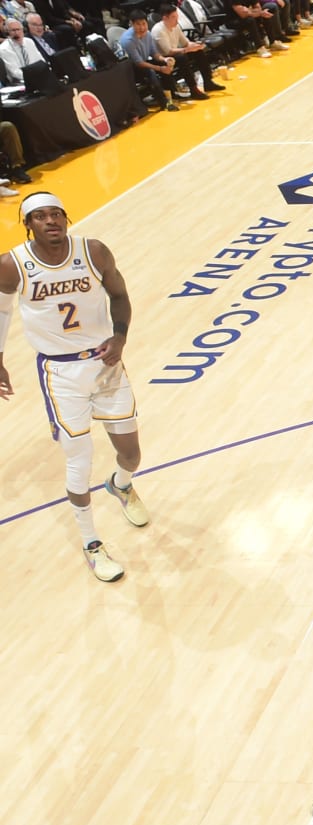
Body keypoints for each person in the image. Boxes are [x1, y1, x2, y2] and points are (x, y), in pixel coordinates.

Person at [0, 192, 149, 582]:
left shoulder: (94, 251)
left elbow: (119, 295)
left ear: (66, 219)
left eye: (56, 215)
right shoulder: (12, 265)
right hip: (61, 374)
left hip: (106, 364)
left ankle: (120, 485)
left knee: (131, 454)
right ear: (28, 224)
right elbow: (0, 313)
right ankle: (91, 543)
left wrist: (120, 337)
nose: (50, 221)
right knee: (78, 462)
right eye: (40, 217)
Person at [152, 1, 225, 97]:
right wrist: (186, 50)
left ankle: (208, 81)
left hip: (176, 53)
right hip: (163, 58)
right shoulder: (158, 30)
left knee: (198, 51)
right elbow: (168, 51)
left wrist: (195, 45)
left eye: (177, 16)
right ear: (165, 18)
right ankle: (193, 88)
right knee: (181, 57)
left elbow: (185, 43)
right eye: (174, 17)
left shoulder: (176, 26)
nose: (177, 20)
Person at [121, 9, 186, 111]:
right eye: (138, 24)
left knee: (170, 61)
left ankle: (172, 93)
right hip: (132, 69)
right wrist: (160, 68)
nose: (142, 27)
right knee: (150, 71)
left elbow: (154, 54)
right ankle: (164, 102)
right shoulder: (128, 40)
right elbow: (139, 63)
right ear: (131, 24)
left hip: (144, 61)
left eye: (144, 23)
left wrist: (165, 60)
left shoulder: (148, 34)